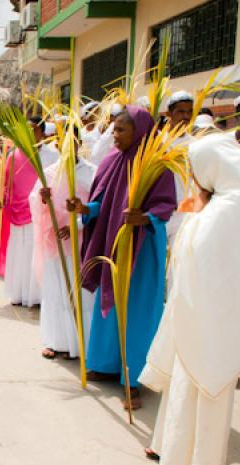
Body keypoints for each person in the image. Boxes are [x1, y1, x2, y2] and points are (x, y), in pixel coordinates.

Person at [140, 133, 240, 465]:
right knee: (202, 409)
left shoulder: (218, 215)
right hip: (218, 328)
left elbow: (194, 265)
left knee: (193, 404)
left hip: (202, 326)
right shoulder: (238, 204)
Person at [68, 106, 177, 410]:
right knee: (111, 303)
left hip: (142, 249)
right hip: (113, 244)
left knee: (138, 310)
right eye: (113, 129)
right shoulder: (110, 161)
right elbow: (100, 203)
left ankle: (133, 377)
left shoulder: (156, 164)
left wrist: (145, 218)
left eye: (121, 130)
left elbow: (165, 207)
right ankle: (104, 364)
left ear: (139, 130)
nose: (114, 135)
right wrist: (84, 209)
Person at [32, 129, 97, 358]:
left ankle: (80, 343)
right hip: (54, 243)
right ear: (58, 144)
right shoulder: (49, 172)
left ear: (80, 143)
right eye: (63, 142)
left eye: (73, 142)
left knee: (79, 292)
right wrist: (42, 198)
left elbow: (98, 207)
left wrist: (76, 224)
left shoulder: (91, 172)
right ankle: (54, 340)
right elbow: (34, 204)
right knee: (55, 290)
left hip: (80, 243)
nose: (68, 147)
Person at [0, 147, 41, 306]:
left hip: (37, 210)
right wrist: (1, 197)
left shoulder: (48, 153)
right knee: (19, 251)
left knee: (34, 251)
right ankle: (18, 293)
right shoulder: (12, 156)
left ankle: (35, 296)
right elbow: (6, 182)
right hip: (16, 211)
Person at [165, 90, 195, 244]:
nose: (186, 117)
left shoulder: (195, 144)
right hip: (159, 214)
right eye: (181, 112)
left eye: (189, 112)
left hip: (184, 214)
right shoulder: (157, 142)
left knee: (177, 264)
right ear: (169, 113)